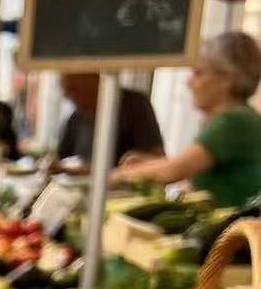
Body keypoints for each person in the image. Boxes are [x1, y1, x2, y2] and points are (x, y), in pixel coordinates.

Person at [114, 32, 261, 207]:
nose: (189, 82)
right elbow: (188, 165)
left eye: (198, 73)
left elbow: (172, 171)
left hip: (231, 231)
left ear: (227, 79)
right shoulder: (240, 118)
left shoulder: (232, 122)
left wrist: (114, 176)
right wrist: (147, 165)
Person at [57, 72, 164, 168]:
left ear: (94, 79)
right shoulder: (76, 118)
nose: (66, 94)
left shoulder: (136, 105)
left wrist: (93, 171)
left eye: (73, 88)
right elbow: (61, 159)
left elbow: (157, 158)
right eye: (65, 89)